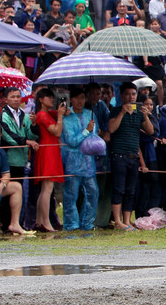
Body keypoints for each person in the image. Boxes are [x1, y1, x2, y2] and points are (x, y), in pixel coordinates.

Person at [108, 82, 155, 229]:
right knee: (118, 189)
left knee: (130, 190)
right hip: (119, 156)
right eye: (127, 94)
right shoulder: (115, 110)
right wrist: (122, 112)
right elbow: (111, 129)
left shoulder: (139, 112)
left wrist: (146, 116)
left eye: (133, 94)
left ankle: (127, 220)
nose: (131, 97)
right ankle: (117, 221)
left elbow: (151, 131)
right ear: (121, 96)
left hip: (133, 156)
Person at [61, 87, 100, 231]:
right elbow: (71, 140)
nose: (80, 101)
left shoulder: (90, 114)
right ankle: (71, 225)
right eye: (77, 98)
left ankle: (88, 223)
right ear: (71, 99)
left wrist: (90, 131)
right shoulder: (67, 117)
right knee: (71, 195)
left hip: (89, 161)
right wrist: (86, 131)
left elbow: (94, 135)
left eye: (83, 98)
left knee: (93, 193)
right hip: (73, 161)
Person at [33, 88, 65, 232]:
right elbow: (57, 131)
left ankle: (40, 220)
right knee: (47, 189)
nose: (52, 100)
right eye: (49, 97)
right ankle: (46, 221)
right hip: (48, 151)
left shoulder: (46, 114)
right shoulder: (42, 115)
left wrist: (60, 112)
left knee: (45, 189)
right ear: (41, 99)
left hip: (49, 150)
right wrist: (60, 116)